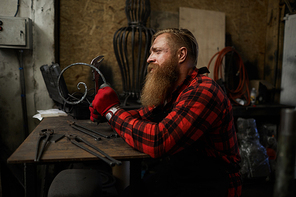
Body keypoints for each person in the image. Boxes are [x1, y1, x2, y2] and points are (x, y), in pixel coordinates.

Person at [89, 28, 242, 197]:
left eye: (157, 51)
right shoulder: (174, 89)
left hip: (212, 183)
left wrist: (112, 111)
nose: (149, 59)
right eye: (150, 53)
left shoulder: (203, 90)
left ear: (181, 55)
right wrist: (105, 113)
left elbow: (158, 141)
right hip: (185, 173)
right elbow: (142, 115)